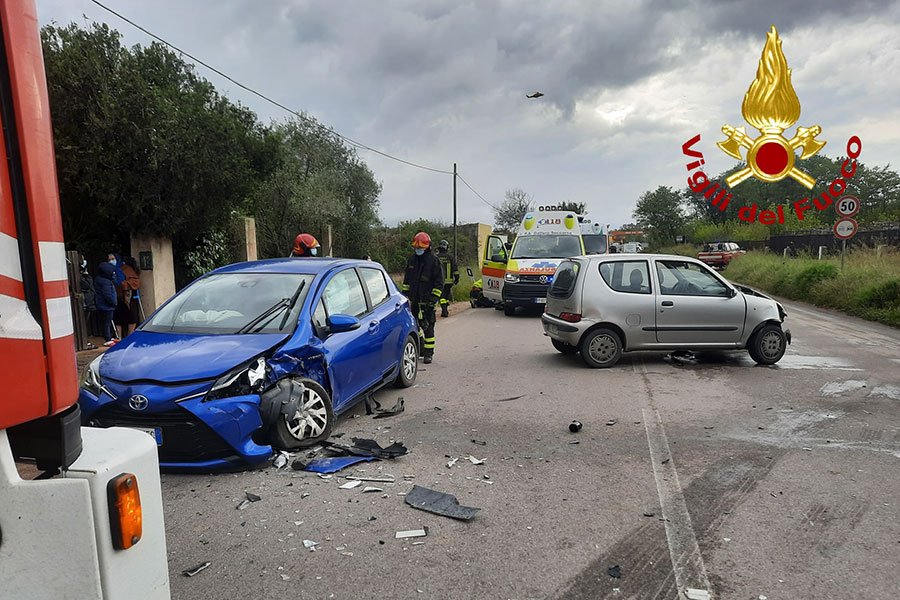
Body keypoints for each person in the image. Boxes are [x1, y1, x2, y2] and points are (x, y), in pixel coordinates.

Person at [401, 232, 443, 364]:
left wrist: (432, 300)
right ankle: (422, 347)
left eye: (420, 248)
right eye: (416, 248)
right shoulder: (412, 260)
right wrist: (404, 296)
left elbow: (439, 283)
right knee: (414, 325)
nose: (418, 250)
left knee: (428, 326)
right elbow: (407, 280)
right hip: (414, 300)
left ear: (427, 247)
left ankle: (429, 353)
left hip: (427, 301)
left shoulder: (434, 261)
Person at [94, 259, 119, 346]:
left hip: (104, 305)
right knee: (107, 323)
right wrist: (113, 302)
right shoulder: (105, 282)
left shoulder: (100, 279)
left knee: (107, 322)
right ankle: (108, 339)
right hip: (107, 305)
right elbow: (107, 294)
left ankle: (110, 336)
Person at [435, 240, 459, 318]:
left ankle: (444, 309)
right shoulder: (450, 257)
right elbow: (455, 268)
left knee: (441, 296)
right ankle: (445, 308)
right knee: (446, 294)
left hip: (439, 281)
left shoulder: (436, 257)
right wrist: (457, 278)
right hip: (449, 281)